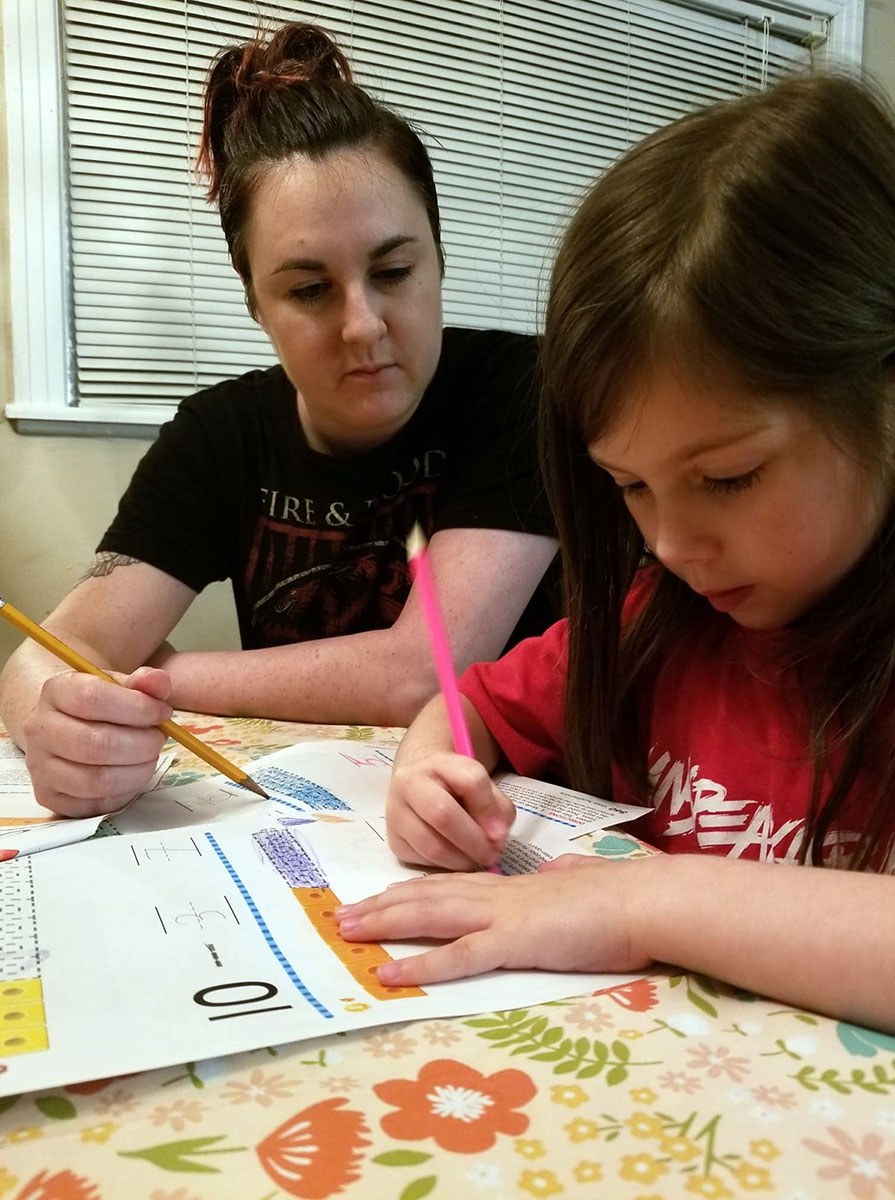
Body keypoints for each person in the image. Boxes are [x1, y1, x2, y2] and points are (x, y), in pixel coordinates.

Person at [335, 71, 895, 1032]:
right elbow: (467, 701)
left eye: (727, 477)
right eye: (630, 486)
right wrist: (430, 771)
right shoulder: (658, 622)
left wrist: (640, 900)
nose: (672, 545)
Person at [0, 23, 558, 818]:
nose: (362, 325)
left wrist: (164, 675)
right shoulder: (216, 434)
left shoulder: (522, 388)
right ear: (254, 299)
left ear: (439, 256)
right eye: (308, 290)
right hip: (299, 818)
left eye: (394, 271)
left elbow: (423, 670)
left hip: (507, 810)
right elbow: (46, 656)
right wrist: (59, 722)